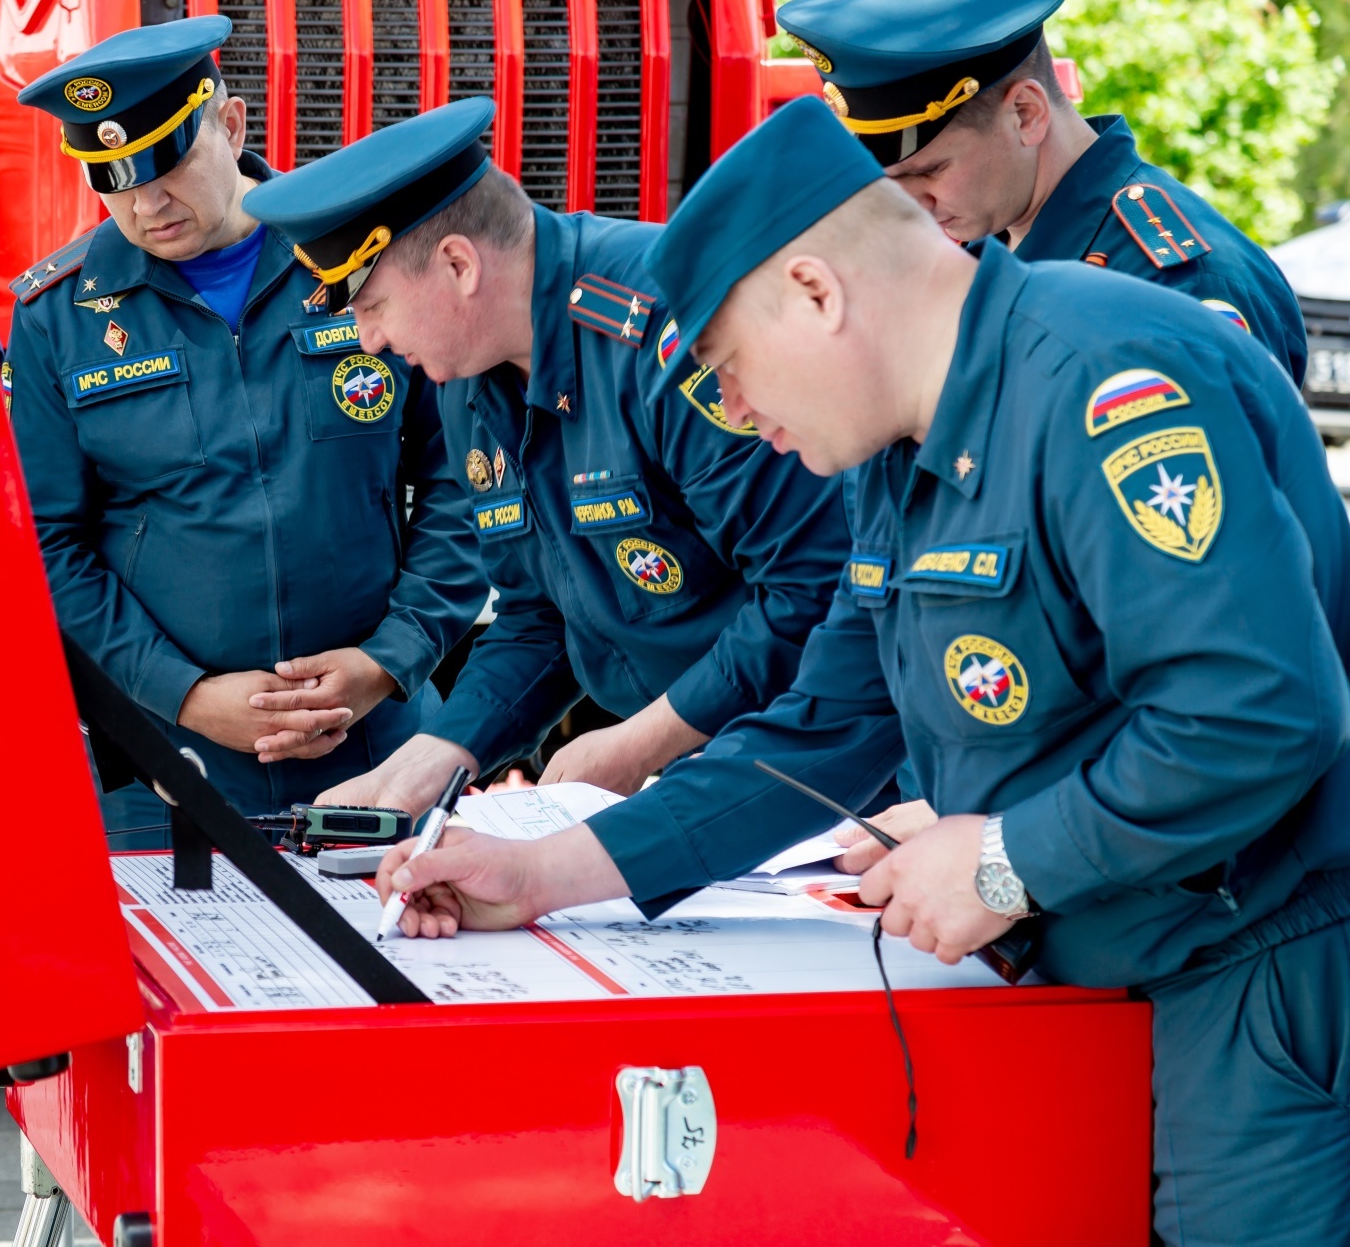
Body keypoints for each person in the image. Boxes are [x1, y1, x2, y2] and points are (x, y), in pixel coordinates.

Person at [374, 95, 1350, 1245]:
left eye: (729, 367)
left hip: (1245, 971)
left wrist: (1000, 860)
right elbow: (816, 731)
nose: (731, 412)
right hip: (1084, 972)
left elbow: (1254, 711)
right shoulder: (891, 459)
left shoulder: (1105, 377)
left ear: (816, 292)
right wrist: (539, 873)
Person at [242, 98, 849, 808]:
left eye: (372, 306)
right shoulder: (464, 378)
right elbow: (540, 612)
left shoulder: (663, 337)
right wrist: (437, 757)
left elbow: (811, 586)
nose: (369, 340)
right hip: (710, 753)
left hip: (831, 761)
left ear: (458, 264)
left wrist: (644, 740)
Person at [6, 18, 482, 839]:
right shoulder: (60, 317)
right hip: (164, 770)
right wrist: (183, 694)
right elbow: (45, 544)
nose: (147, 202)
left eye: (169, 163)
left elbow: (467, 478)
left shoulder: (356, 256)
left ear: (230, 125)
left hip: (380, 744)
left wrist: (389, 659)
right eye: (112, 180)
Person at [778, 0, 1308, 386]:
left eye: (929, 171)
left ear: (1026, 114)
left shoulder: (1182, 284)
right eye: (891, 181)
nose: (913, 203)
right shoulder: (978, 249)